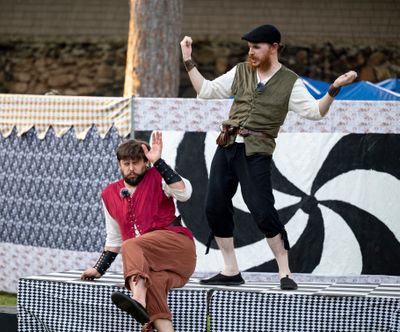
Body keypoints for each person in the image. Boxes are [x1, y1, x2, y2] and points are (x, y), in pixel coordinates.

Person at [180, 24, 357, 290]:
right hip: (227, 145)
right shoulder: (241, 71)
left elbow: (314, 112)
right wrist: (187, 59)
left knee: (262, 211)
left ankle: (285, 272)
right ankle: (230, 270)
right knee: (214, 207)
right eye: (249, 47)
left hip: (256, 153)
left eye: (256, 47)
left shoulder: (289, 81)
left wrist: (333, 89)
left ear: (274, 48)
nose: (250, 52)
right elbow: (206, 91)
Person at [81, 131, 196, 332]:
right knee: (154, 285)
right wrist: (99, 269)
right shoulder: (109, 194)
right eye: (126, 163)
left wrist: (159, 162)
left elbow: (184, 193)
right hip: (154, 267)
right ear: (119, 165)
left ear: (146, 163)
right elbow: (114, 238)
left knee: (131, 244)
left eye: (136, 162)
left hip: (177, 250)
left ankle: (137, 299)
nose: (131, 168)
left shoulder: (158, 177)